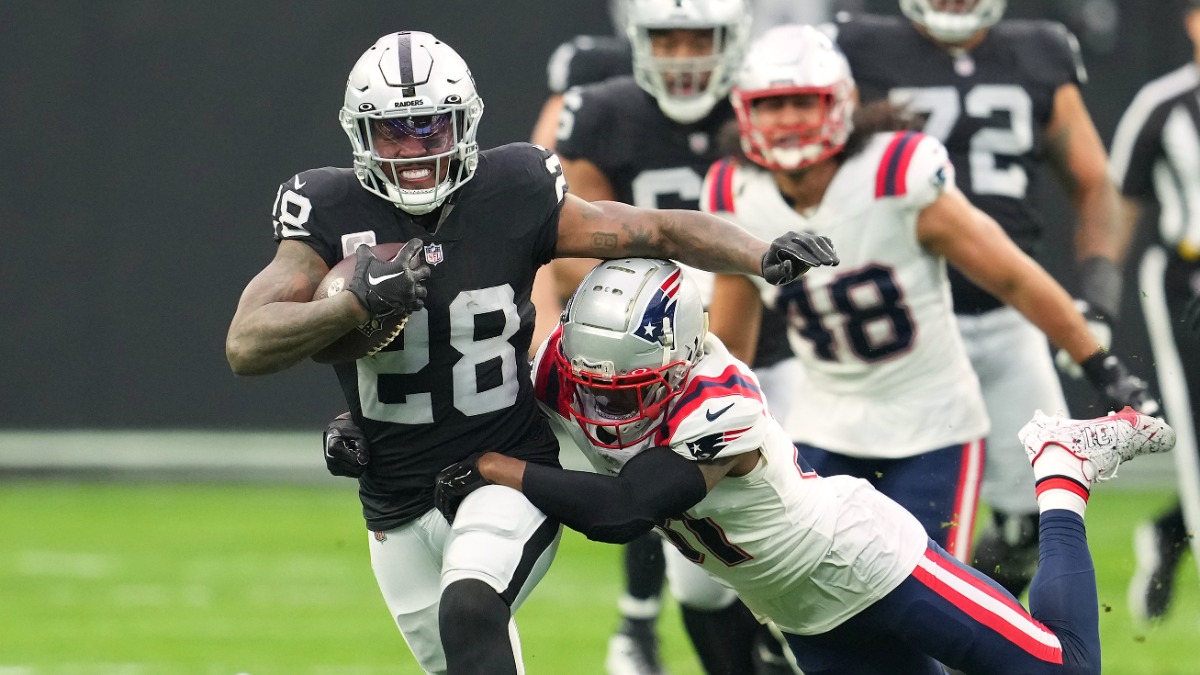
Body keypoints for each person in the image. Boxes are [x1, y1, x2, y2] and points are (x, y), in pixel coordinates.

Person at [224, 30, 830, 675]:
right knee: (466, 658)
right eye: (393, 132)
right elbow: (245, 344)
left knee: (471, 610)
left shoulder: (511, 188)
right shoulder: (328, 207)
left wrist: (760, 254)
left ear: (465, 123)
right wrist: (351, 305)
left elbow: (652, 228)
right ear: (359, 135)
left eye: (433, 129)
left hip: (506, 463)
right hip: (393, 495)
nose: (415, 152)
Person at [420, 255, 1177, 675]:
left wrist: (498, 466)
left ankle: (1060, 469)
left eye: (632, 390)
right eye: (594, 387)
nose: (607, 409)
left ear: (680, 357)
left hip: (864, 559)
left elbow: (626, 510)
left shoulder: (721, 404)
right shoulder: (567, 365)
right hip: (800, 614)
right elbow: (470, 399)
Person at [703, 25, 1155, 575]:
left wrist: (1100, 364)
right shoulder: (732, 191)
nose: (789, 119)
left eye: (805, 101)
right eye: (772, 105)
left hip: (931, 422)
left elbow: (1011, 276)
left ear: (841, 104)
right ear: (744, 112)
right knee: (805, 598)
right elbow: (731, 342)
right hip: (824, 421)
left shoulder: (897, 172)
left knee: (921, 598)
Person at [828, 0, 1140, 595]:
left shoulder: (1039, 50)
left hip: (1005, 321)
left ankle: (965, 634)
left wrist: (1097, 298)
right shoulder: (858, 47)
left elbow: (1095, 182)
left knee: (1036, 521)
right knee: (886, 519)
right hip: (902, 328)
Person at [531, 2, 800, 673]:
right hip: (649, 358)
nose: (682, 55)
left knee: (795, 535)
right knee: (702, 573)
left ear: (732, 39)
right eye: (666, 38)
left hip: (782, 357)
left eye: (698, 37)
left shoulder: (767, 102)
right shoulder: (602, 111)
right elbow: (562, 252)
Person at [1107, 0, 1200, 623]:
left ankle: (1171, 532)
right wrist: (1095, 299)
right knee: (1196, 423)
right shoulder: (1165, 104)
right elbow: (1118, 201)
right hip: (1189, 280)